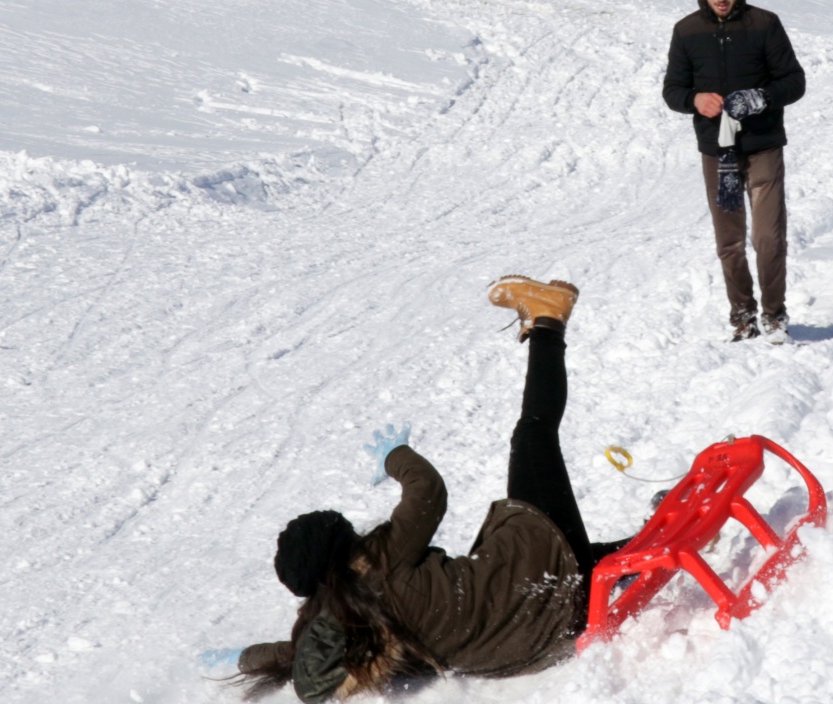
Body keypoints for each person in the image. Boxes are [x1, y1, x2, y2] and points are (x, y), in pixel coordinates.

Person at [231, 277, 630, 701]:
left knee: (542, 557)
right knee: (533, 436)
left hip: (532, 646)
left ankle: (642, 542)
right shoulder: (380, 559)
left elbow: (294, 654)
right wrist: (395, 456)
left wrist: (244, 658)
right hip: (551, 593)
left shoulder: (345, 623)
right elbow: (428, 491)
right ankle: (549, 318)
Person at [663, 0, 806, 343]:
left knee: (768, 238)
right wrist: (694, 99)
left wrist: (762, 97)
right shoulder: (686, 31)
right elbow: (672, 90)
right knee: (729, 242)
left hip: (763, 146)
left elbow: (794, 81)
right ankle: (743, 317)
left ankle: (774, 316)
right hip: (718, 152)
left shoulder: (765, 24)